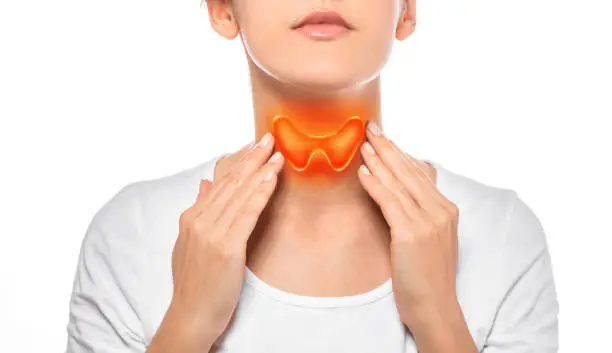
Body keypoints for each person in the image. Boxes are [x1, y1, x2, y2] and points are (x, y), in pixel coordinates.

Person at [65, 0, 560, 352]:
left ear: (406, 10)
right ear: (222, 8)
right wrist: (187, 325)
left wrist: (440, 322)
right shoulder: (128, 236)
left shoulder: (505, 237)